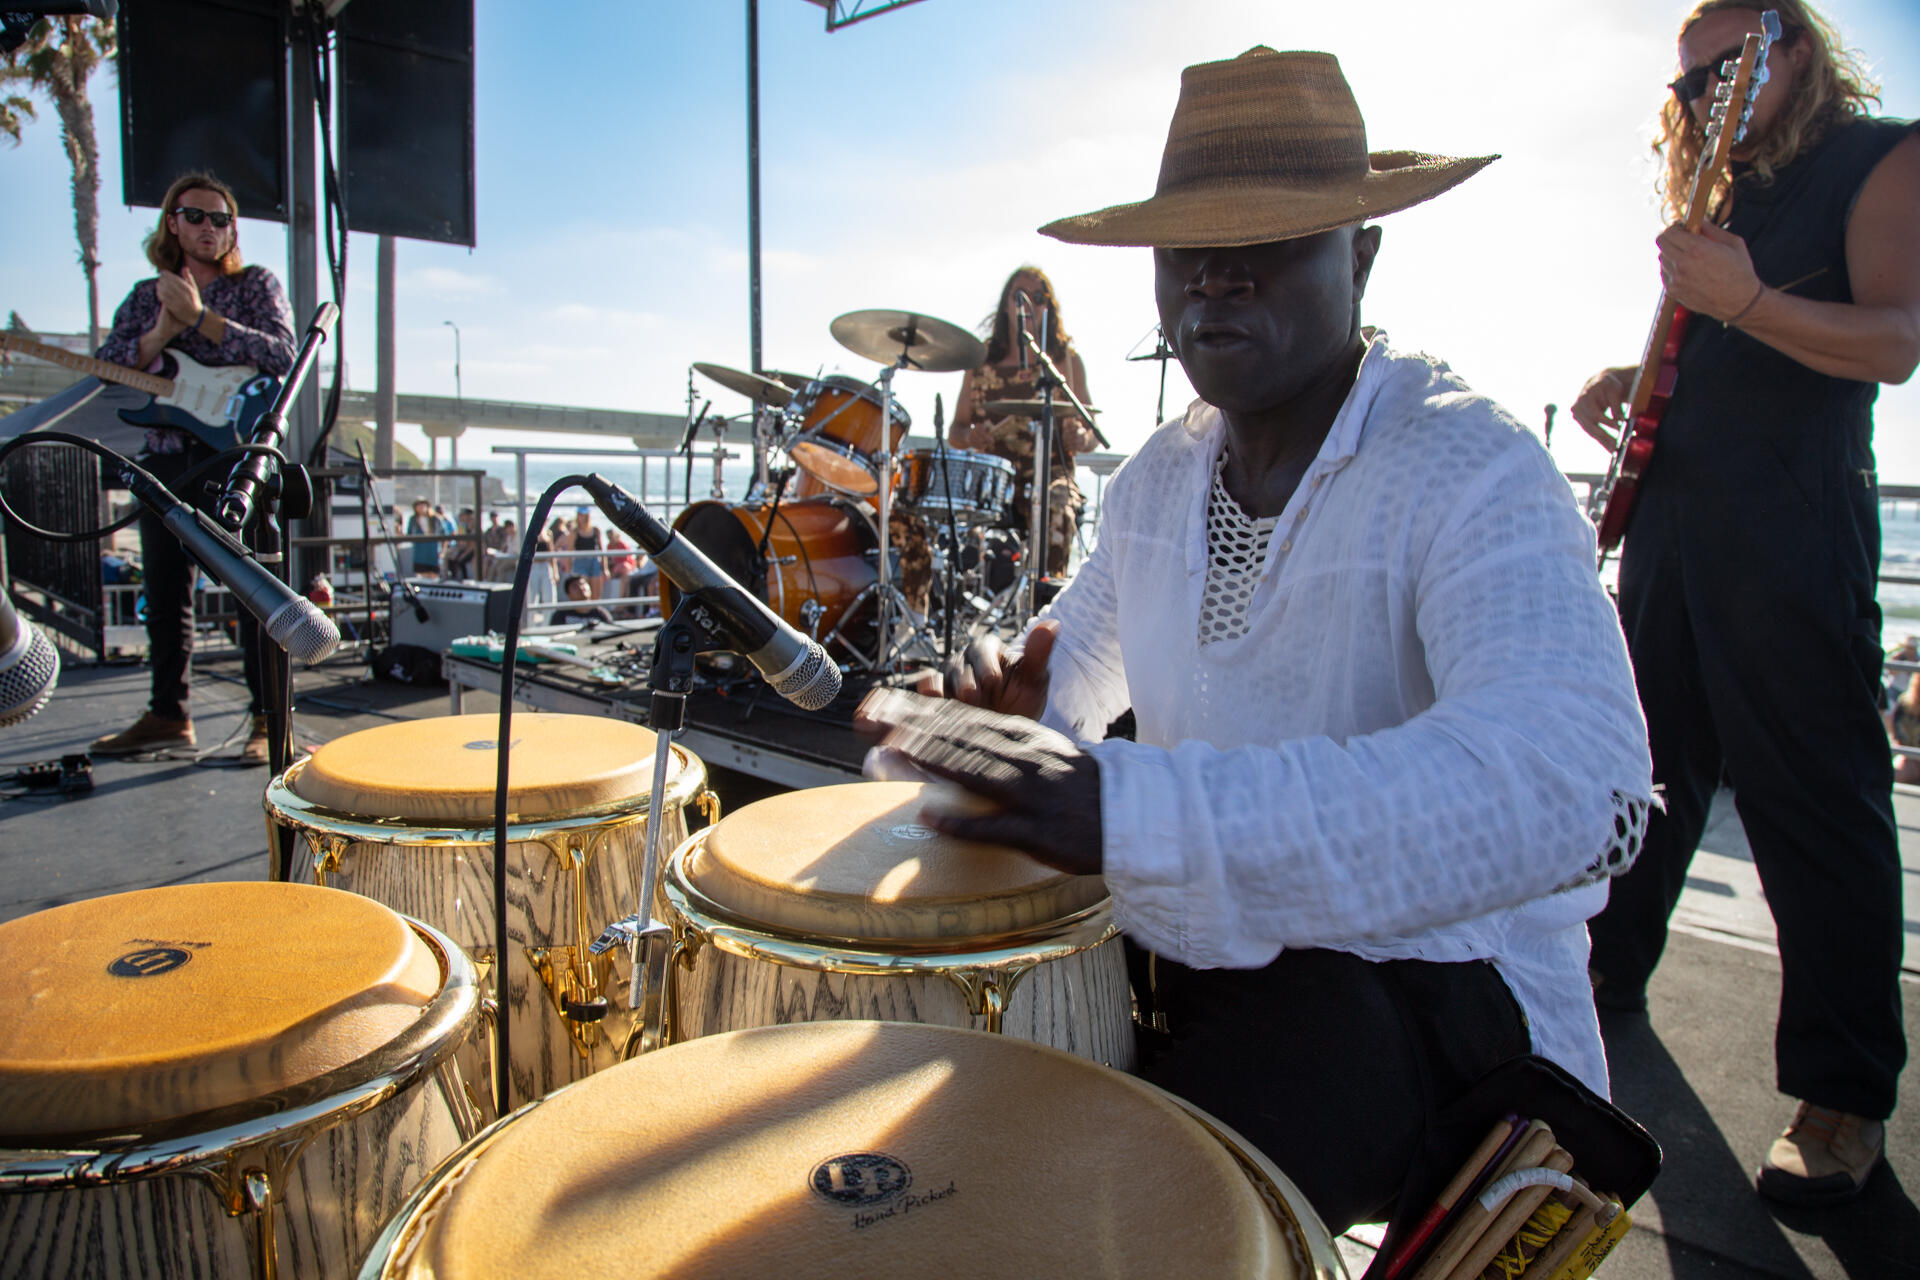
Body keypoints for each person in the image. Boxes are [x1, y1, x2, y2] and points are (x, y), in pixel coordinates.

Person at [858, 48, 1653, 1237]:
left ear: (1363, 254)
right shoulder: (1161, 482)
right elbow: (1070, 671)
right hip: (1204, 969)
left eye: (1268, 238)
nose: (1216, 275)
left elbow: (1578, 786)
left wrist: (1134, 810)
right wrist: (1001, 722)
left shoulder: (1467, 462)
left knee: (1085, 1214)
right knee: (929, 1141)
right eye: (1187, 247)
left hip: (1439, 997)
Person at [1570, 0, 1917, 1206]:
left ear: (1799, 51)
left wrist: (1745, 303)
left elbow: (1894, 342)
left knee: (1816, 799)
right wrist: (1642, 369)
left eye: (1728, 62)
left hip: (1792, 529)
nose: (1703, 90)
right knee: (1646, 775)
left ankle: (1844, 1096)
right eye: (1687, 80)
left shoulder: (1881, 157)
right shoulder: (1720, 191)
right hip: (1676, 522)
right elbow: (1722, 333)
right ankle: (1600, 998)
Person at [91, 171, 295, 764]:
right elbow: (108, 368)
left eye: (221, 218)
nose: (209, 227)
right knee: (163, 588)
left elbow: (283, 352)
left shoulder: (254, 284)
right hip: (164, 455)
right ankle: (167, 714)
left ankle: (267, 719)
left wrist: (204, 320)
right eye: (195, 216)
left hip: (231, 455)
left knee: (248, 588)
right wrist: (163, 328)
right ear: (172, 224)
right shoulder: (144, 294)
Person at [950, 267, 1098, 578]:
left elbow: (1091, 430)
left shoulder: (1065, 361)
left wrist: (1081, 439)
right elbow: (956, 431)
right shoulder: (981, 360)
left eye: (1038, 297)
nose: (1028, 304)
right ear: (1006, 304)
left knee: (1058, 507)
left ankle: (1047, 610)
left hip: (1053, 478)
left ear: (1048, 307)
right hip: (993, 484)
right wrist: (970, 436)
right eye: (1020, 296)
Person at [568, 507, 604, 599]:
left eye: (582, 515)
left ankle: (594, 612)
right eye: (579, 515)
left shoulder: (596, 530)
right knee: (582, 595)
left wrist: (605, 568)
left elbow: (602, 550)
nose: (580, 517)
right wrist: (569, 570)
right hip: (580, 562)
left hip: (594, 561)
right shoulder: (575, 532)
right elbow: (569, 552)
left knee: (596, 596)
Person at [406, 498, 442, 579]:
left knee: (434, 576)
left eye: (423, 505)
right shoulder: (413, 520)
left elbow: (444, 535)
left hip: (433, 553)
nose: (421, 507)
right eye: (418, 505)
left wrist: (442, 552)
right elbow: (409, 534)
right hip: (419, 554)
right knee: (421, 576)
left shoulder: (435, 519)